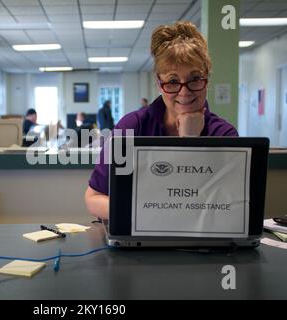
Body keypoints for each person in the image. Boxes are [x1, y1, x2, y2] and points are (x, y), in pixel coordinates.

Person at [84, 21, 238, 220]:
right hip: (136, 237)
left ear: (206, 78)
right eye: (173, 81)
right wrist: (147, 213)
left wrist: (190, 142)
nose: (184, 92)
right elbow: (94, 197)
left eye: (195, 79)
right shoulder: (132, 127)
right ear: (159, 83)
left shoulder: (224, 135)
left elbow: (229, 207)